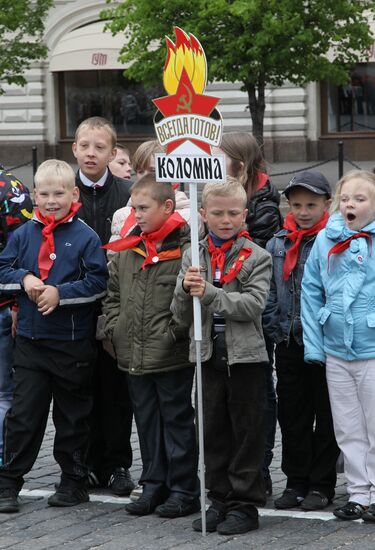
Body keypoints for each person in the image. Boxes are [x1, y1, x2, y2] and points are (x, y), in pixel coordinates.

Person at [0, 160, 108, 513]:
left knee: (72, 416)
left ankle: (74, 480)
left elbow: (98, 282)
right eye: (43, 193)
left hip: (71, 343)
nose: (50, 200)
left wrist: (60, 293)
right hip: (30, 342)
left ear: (74, 194)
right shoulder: (23, 235)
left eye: (59, 193)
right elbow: (3, 268)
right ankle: (9, 482)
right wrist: (26, 279)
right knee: (24, 416)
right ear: (34, 195)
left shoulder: (86, 236)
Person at [171, 179, 272, 535]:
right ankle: (218, 498)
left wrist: (210, 293)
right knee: (212, 431)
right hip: (208, 355)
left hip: (245, 357)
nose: (225, 219)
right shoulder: (193, 256)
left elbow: (252, 305)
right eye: (217, 213)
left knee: (246, 432)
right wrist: (185, 291)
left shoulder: (257, 256)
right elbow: (181, 316)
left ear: (244, 214)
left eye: (233, 213)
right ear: (203, 214)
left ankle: (244, 505)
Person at [103, 174, 200, 519]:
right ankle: (154, 484)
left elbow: (189, 301)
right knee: (146, 422)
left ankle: (184, 488)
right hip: (134, 352)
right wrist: (114, 329)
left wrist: (175, 331)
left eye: (143, 208)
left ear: (167, 207)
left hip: (169, 352)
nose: (137, 214)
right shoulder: (130, 248)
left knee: (175, 421)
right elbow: (113, 294)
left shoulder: (187, 248)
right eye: (134, 207)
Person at [301, 170, 375, 522]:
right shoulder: (325, 239)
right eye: (346, 198)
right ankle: (359, 493)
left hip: (372, 349)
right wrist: (315, 346)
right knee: (347, 427)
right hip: (336, 349)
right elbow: (311, 291)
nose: (351, 205)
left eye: (360, 199)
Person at [263, 171, 339, 511]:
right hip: (289, 340)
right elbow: (269, 290)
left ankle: (322, 484)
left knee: (326, 414)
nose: (304, 211)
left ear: (327, 204)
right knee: (292, 414)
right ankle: (295, 480)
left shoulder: (335, 242)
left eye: (311, 204)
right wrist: (273, 324)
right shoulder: (277, 242)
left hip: (325, 343)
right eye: (297, 205)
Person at [215, 132, 282, 495]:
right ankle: (227, 474)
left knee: (260, 395)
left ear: (238, 164)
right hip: (221, 317)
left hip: (253, 311)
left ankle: (261, 466)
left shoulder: (263, 204)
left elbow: (254, 255)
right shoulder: (220, 192)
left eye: (220, 155)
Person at [72, 116, 135, 496]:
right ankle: (84, 463)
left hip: (118, 306)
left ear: (113, 154)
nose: (91, 153)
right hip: (74, 307)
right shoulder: (64, 192)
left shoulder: (128, 194)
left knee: (116, 389)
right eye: (85, 146)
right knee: (79, 387)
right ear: (75, 149)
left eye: (100, 147)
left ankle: (117, 464)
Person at [0, 165, 33, 462]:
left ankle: (3, 462)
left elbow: (21, 252)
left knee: (3, 393)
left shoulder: (10, 189)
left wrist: (15, 304)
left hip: (2, 306)